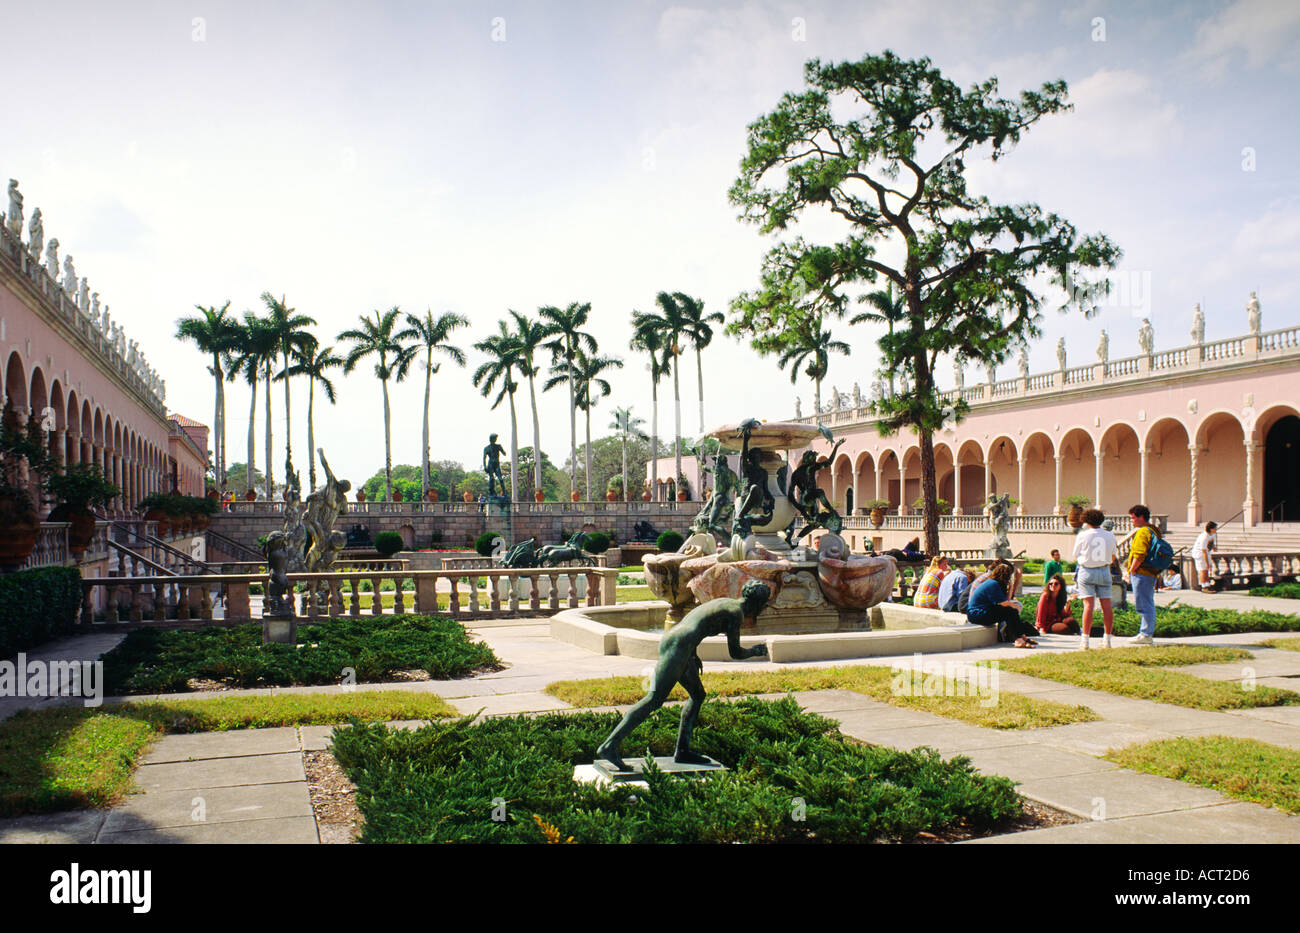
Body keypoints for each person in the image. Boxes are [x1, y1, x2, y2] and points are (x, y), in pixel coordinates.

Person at [595, 582, 771, 771]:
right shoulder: (736, 614)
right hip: (678, 647)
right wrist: (755, 651)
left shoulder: (726, 602)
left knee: (697, 696)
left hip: (680, 644)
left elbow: (695, 622)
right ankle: (609, 746)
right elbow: (735, 653)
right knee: (653, 699)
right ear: (758, 603)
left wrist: (692, 655)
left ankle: (682, 751)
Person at [1072, 508, 1117, 649]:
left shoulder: (1083, 535)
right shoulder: (1110, 535)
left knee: (1088, 606)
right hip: (1104, 570)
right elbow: (1113, 555)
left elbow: (1075, 554)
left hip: (1087, 570)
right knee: (1107, 606)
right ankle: (1107, 639)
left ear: (1085, 520)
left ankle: (1085, 640)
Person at [967, 563, 1036, 648]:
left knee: (1009, 611)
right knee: (1010, 611)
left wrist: (1011, 586)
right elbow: (1003, 603)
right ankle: (1018, 639)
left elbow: (1005, 601)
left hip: (980, 612)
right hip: (976, 614)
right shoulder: (993, 584)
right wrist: (1015, 606)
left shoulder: (993, 582)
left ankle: (1021, 637)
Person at [1125, 504, 1160, 646]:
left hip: (1142, 572)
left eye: (1133, 518)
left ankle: (1146, 633)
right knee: (1147, 601)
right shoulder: (1154, 530)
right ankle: (1146, 632)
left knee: (1144, 603)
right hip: (1150, 572)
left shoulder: (1143, 532)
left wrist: (1132, 570)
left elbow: (1139, 554)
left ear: (1141, 517)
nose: (1131, 521)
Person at [1193, 521, 1218, 592]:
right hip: (1200, 554)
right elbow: (1203, 551)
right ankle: (1204, 586)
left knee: (1206, 570)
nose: (1216, 530)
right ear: (1211, 529)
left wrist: (1213, 547)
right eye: (1215, 528)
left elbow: (1211, 543)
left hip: (1207, 552)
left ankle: (1207, 585)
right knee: (1203, 570)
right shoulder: (1204, 537)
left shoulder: (1212, 535)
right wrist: (1206, 563)